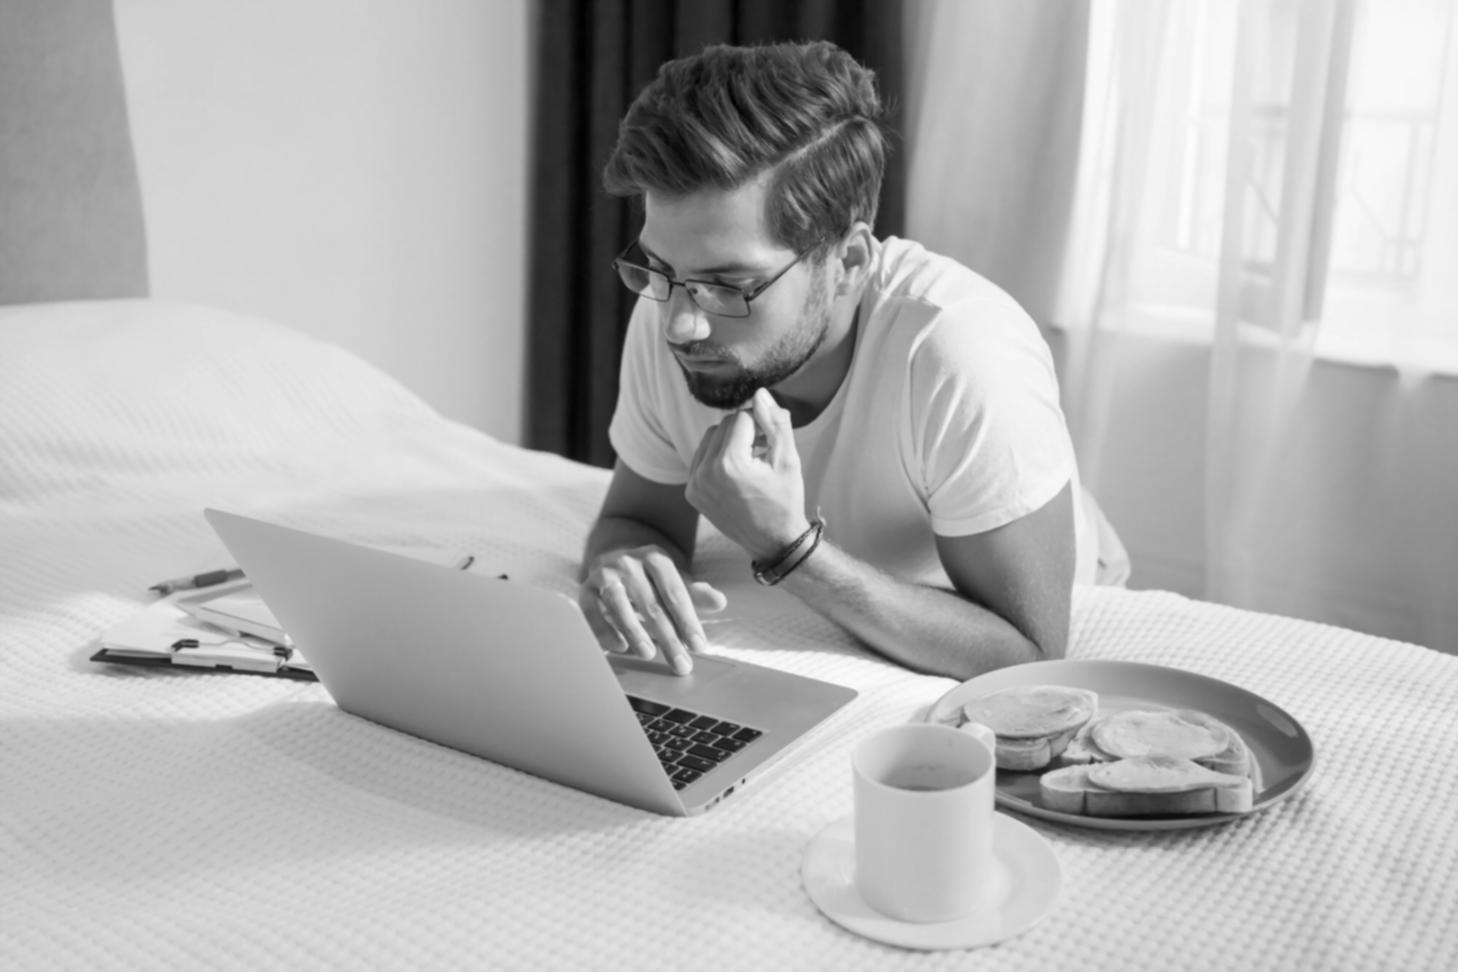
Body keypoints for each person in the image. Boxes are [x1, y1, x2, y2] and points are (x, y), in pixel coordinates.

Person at [580, 40, 1125, 682]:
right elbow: (637, 519)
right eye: (659, 269)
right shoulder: (673, 307)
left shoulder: (961, 352)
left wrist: (790, 549)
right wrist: (626, 565)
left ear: (849, 262)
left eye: (729, 285)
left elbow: (1027, 653)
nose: (680, 323)